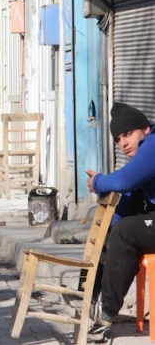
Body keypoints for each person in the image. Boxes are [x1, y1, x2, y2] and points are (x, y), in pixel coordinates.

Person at [86, 102, 155, 327]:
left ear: (145, 129)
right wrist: (107, 231)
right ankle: (88, 298)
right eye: (117, 139)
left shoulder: (153, 144)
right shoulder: (142, 157)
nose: (122, 143)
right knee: (113, 230)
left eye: (127, 134)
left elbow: (125, 180)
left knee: (125, 232)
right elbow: (127, 198)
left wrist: (98, 182)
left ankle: (106, 313)